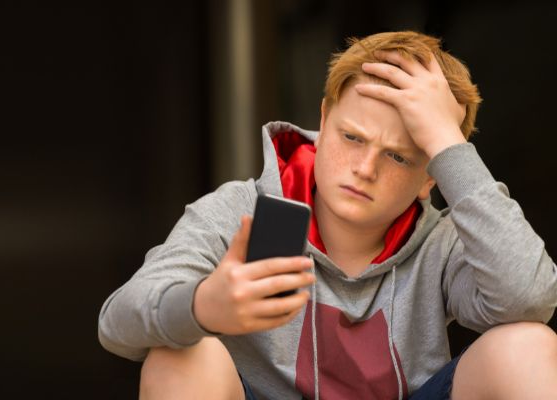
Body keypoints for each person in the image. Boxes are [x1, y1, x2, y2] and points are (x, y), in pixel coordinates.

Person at [97, 31, 557, 399]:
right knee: (182, 354)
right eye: (352, 137)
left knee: (526, 346)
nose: (365, 168)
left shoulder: (443, 241)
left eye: (398, 157)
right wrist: (202, 306)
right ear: (323, 118)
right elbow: (117, 323)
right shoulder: (249, 214)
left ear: (430, 176)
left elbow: (529, 299)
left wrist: (448, 142)